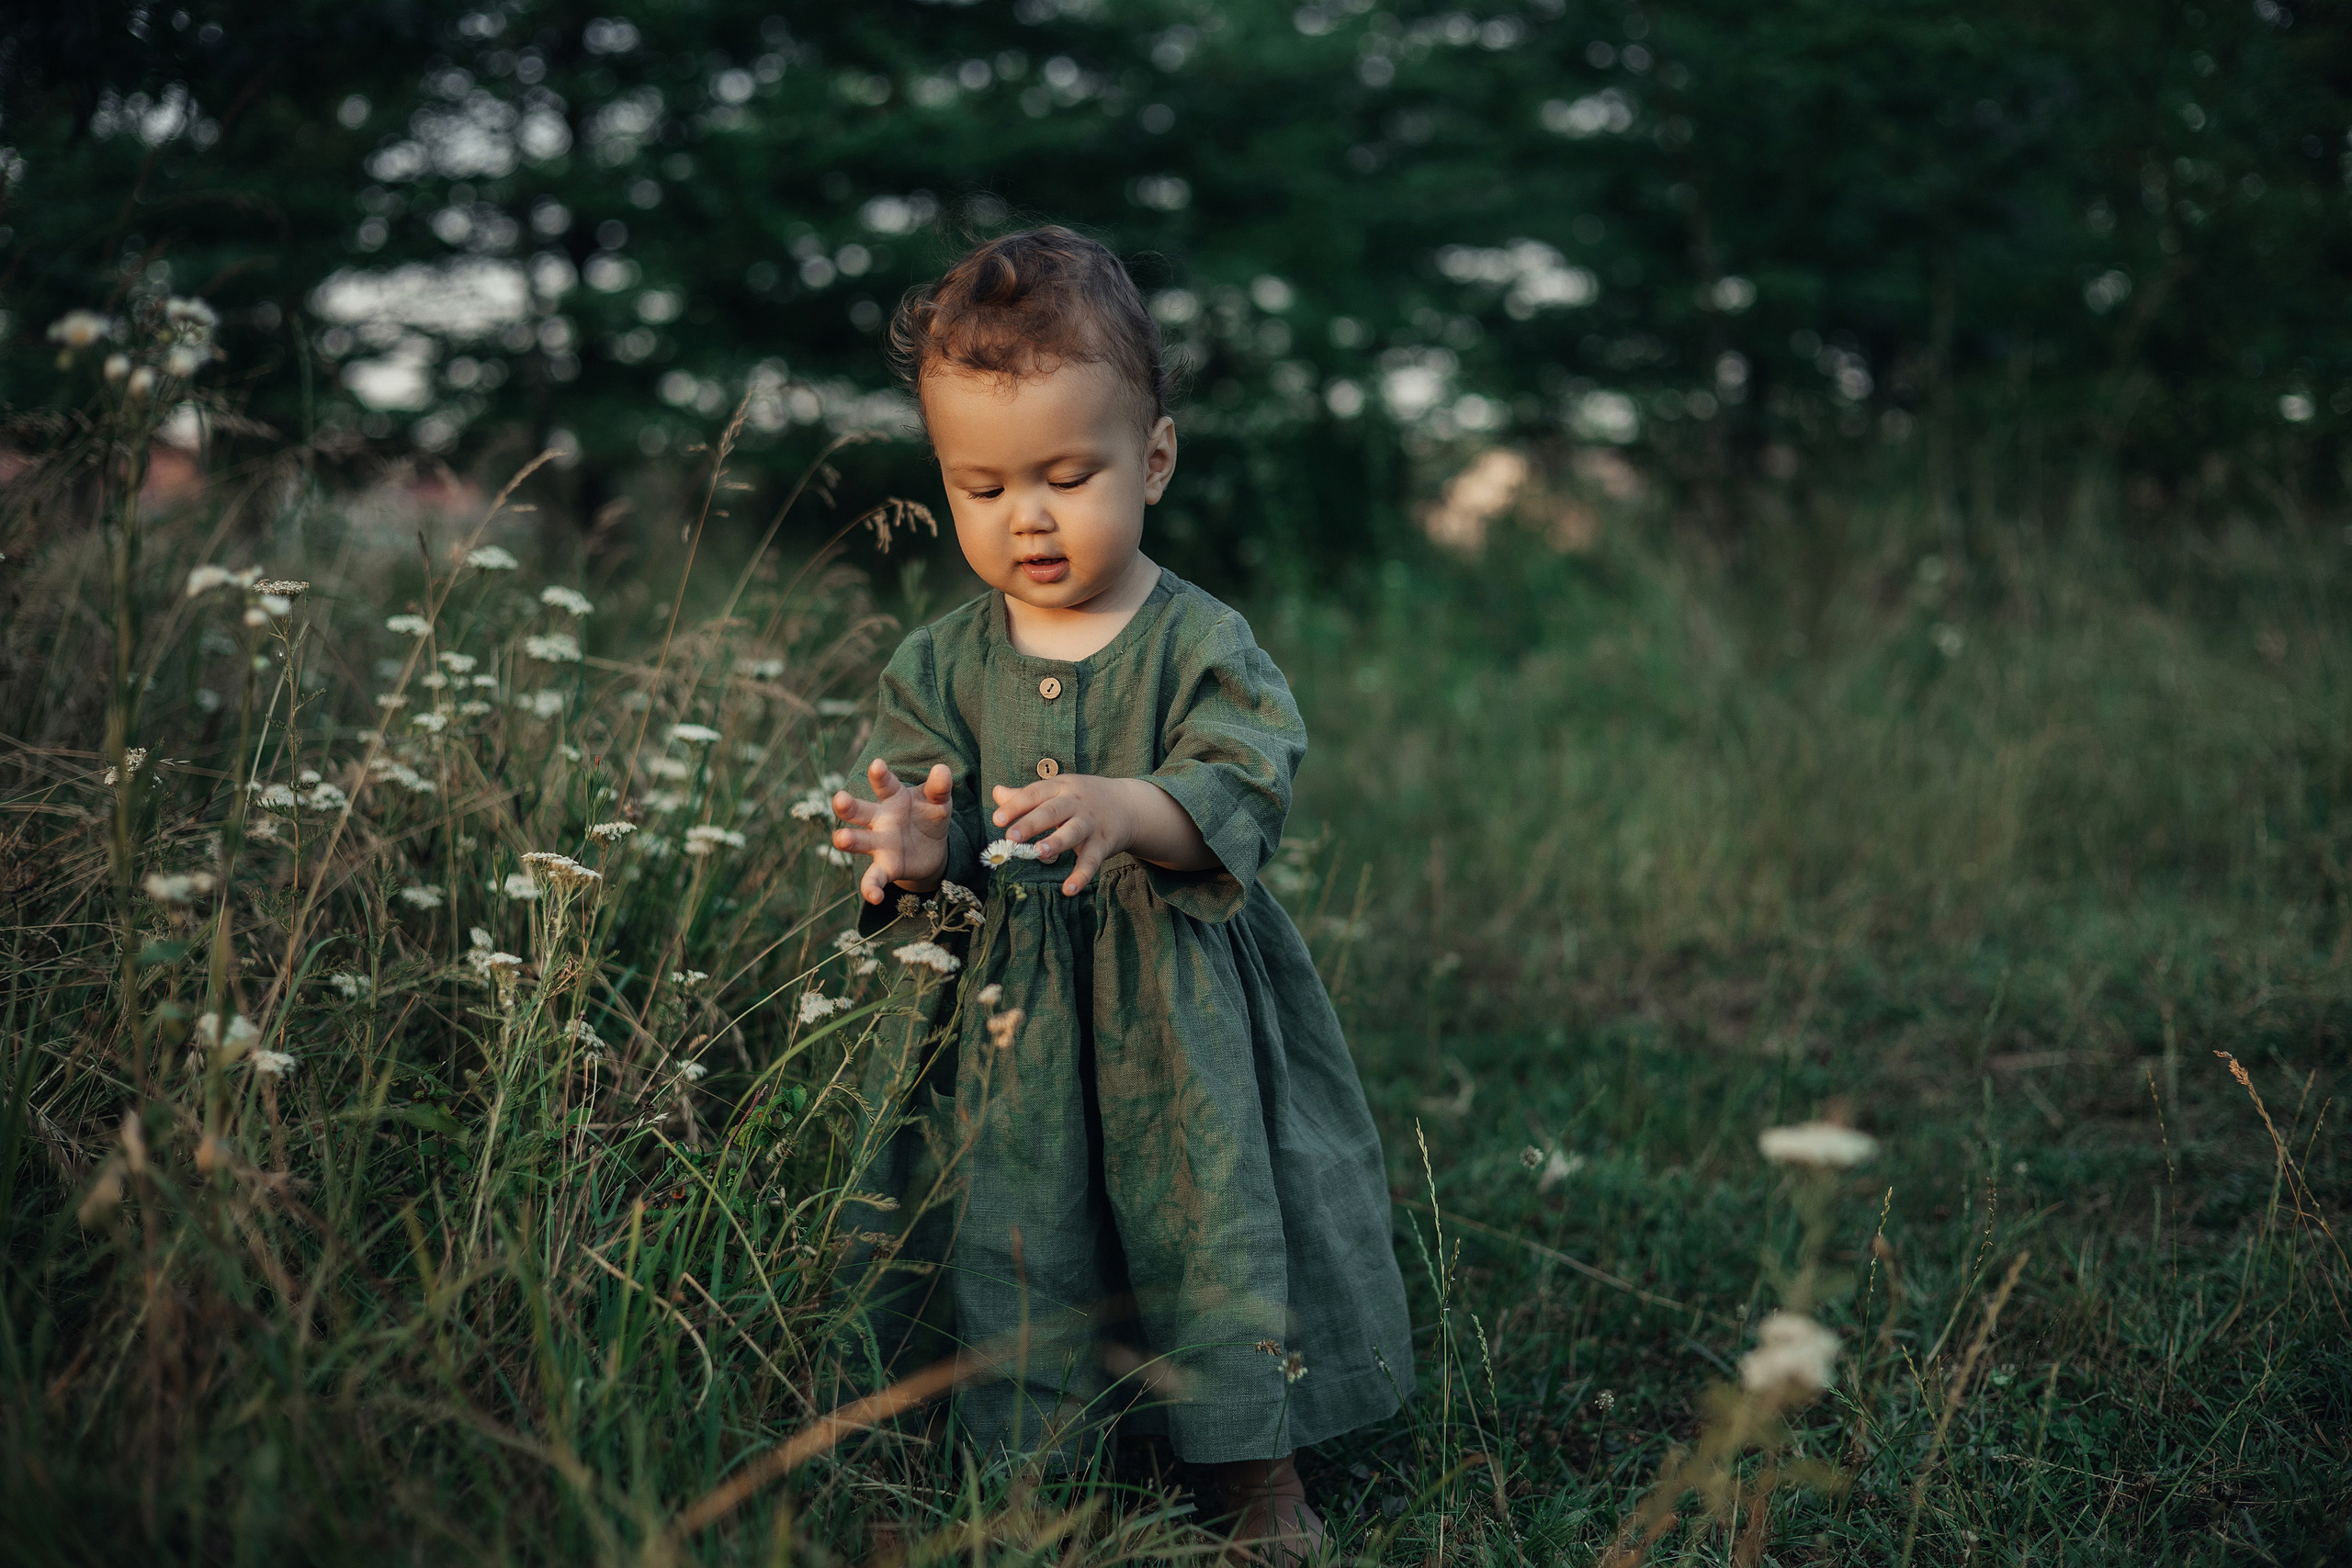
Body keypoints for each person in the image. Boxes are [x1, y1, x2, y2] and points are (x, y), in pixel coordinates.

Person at [830, 226, 1411, 1562]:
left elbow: (1243, 778)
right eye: (982, 488)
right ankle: (1032, 1477)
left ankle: (1253, 1481)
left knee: (1206, 1221)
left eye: (1067, 475)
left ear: (1151, 458)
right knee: (1014, 1224)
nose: (1026, 516)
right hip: (1007, 1025)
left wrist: (1126, 806)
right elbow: (946, 818)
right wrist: (918, 851)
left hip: (1181, 1019)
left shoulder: (1202, 640)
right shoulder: (942, 658)